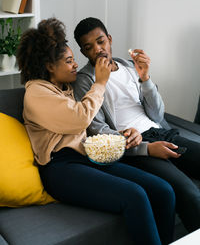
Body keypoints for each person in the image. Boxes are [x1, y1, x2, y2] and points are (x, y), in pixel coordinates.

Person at [16, 17, 175, 245]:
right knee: (136, 196)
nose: (75, 65)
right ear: (49, 66)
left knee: (163, 190)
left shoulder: (64, 86)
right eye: (69, 61)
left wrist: (123, 137)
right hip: (61, 169)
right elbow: (79, 120)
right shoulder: (36, 93)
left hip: (88, 156)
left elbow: (91, 130)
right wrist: (99, 83)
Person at [72, 17, 200, 233]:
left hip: (162, 132)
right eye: (89, 47)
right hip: (136, 147)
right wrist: (141, 146)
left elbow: (157, 113)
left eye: (101, 41)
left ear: (110, 39)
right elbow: (97, 130)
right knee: (188, 192)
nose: (98, 49)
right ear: (84, 53)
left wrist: (146, 78)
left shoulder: (128, 66)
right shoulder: (85, 81)